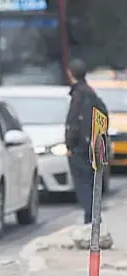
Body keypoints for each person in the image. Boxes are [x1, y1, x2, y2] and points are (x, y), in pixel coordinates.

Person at [65, 58, 109, 224]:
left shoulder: (79, 95)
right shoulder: (91, 94)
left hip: (80, 148)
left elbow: (74, 123)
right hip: (92, 146)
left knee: (83, 183)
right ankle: (91, 217)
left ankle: (91, 218)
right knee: (90, 182)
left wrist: (70, 144)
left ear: (71, 74)